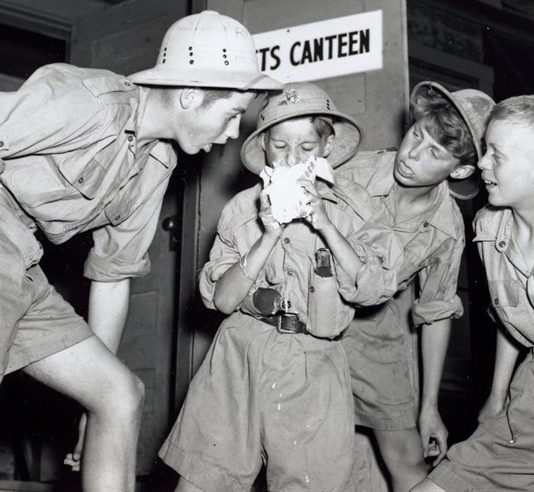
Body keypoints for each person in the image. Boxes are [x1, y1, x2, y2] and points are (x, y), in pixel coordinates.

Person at [0, 10, 281, 492]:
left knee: (118, 395)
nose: (234, 133)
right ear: (192, 95)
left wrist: (89, 409)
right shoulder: (88, 100)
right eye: (233, 114)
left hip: (16, 253)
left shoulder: (156, 163)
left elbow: (113, 276)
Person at [159, 81, 403, 492]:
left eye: (306, 148)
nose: (292, 159)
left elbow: (374, 288)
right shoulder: (242, 209)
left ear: (326, 147)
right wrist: (268, 234)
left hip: (313, 362)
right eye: (280, 147)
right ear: (265, 148)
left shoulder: (357, 209)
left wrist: (324, 223)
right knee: (203, 479)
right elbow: (221, 299)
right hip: (240, 353)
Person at [338, 81, 494, 492]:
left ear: (459, 170)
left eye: (434, 153)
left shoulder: (446, 227)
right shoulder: (353, 172)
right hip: (314, 322)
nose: (411, 155)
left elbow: (436, 312)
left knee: (407, 457)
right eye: (415, 135)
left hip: (376, 334)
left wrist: (429, 408)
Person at [410, 94, 534, 492]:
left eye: (497, 154)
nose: (481, 163)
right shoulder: (490, 227)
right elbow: (509, 314)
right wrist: (498, 395)